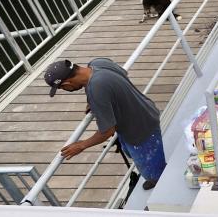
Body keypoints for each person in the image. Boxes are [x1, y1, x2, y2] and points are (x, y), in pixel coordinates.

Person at [45, 58, 164, 190]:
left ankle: (158, 181)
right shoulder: (97, 63)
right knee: (135, 154)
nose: (64, 89)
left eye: (62, 88)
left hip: (141, 131)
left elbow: (107, 131)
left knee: (152, 169)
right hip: (146, 111)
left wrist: (81, 145)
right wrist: (98, 101)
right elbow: (122, 74)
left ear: (67, 83)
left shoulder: (96, 89)